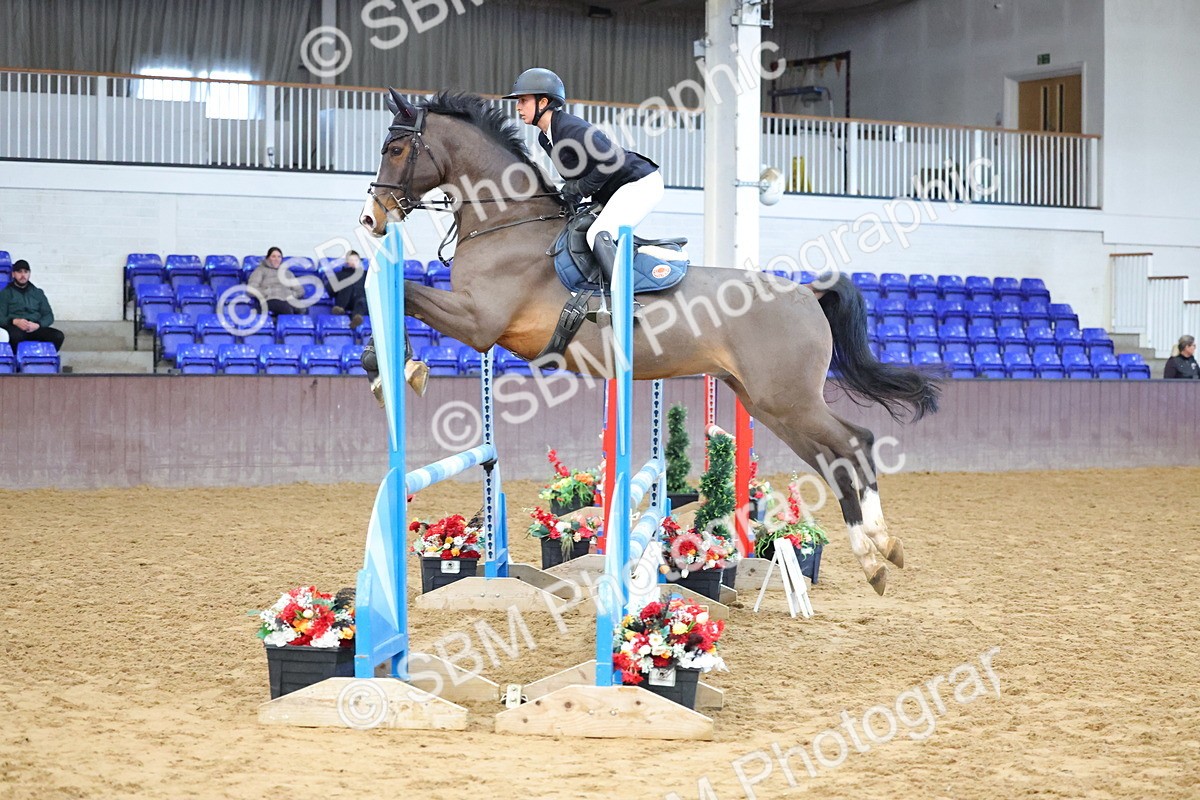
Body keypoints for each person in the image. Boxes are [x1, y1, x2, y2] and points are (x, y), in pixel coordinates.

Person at [503, 68, 664, 285]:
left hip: (640, 184)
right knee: (576, 229)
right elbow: (575, 176)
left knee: (598, 233)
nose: (518, 107)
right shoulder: (546, 138)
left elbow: (611, 158)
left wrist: (581, 188)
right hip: (618, 190)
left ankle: (627, 298)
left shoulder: (570, 128)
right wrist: (569, 198)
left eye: (523, 101)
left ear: (543, 102)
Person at [0, 260, 66, 350]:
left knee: (58, 336)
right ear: (13, 274)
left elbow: (49, 316)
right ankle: (17, 358)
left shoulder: (38, 293)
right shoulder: (5, 294)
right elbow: (1, 317)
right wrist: (14, 321)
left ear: (29, 274)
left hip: (35, 327)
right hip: (15, 328)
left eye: (25, 272)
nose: (23, 275)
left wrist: (38, 325)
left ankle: (46, 358)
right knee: (15, 336)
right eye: (19, 272)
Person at [247, 246, 305, 316]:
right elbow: (251, 289)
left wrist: (290, 294)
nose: (276, 259)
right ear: (268, 258)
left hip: (287, 300)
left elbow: (300, 290)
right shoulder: (260, 270)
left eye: (279, 257)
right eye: (273, 256)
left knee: (302, 308)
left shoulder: (288, 273)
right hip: (270, 300)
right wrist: (268, 292)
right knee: (284, 307)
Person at [330, 250, 367, 329]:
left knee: (361, 299)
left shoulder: (365, 275)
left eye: (356, 260)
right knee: (348, 284)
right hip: (344, 300)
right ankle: (339, 309)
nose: (354, 262)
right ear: (347, 261)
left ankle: (357, 318)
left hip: (358, 300)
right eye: (351, 260)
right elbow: (331, 290)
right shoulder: (340, 274)